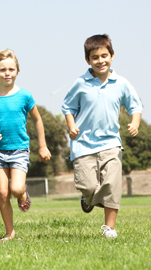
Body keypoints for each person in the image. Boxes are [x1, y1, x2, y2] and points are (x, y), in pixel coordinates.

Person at [61, 34, 142, 238]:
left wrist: (135, 122)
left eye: (104, 55)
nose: (100, 61)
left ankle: (109, 228)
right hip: (83, 145)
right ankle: (87, 199)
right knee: (87, 185)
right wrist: (71, 127)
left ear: (112, 56)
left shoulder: (121, 83)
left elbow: (135, 105)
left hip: (111, 144)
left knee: (112, 185)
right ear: (88, 60)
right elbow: (67, 106)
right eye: (95, 57)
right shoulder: (80, 83)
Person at [0, 49, 51, 241]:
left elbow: (38, 120)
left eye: (11, 69)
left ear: (17, 71)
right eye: (2, 69)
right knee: (3, 192)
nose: (7, 73)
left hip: (19, 149)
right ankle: (9, 232)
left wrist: (42, 146)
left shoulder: (25, 96)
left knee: (16, 189)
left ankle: (22, 195)